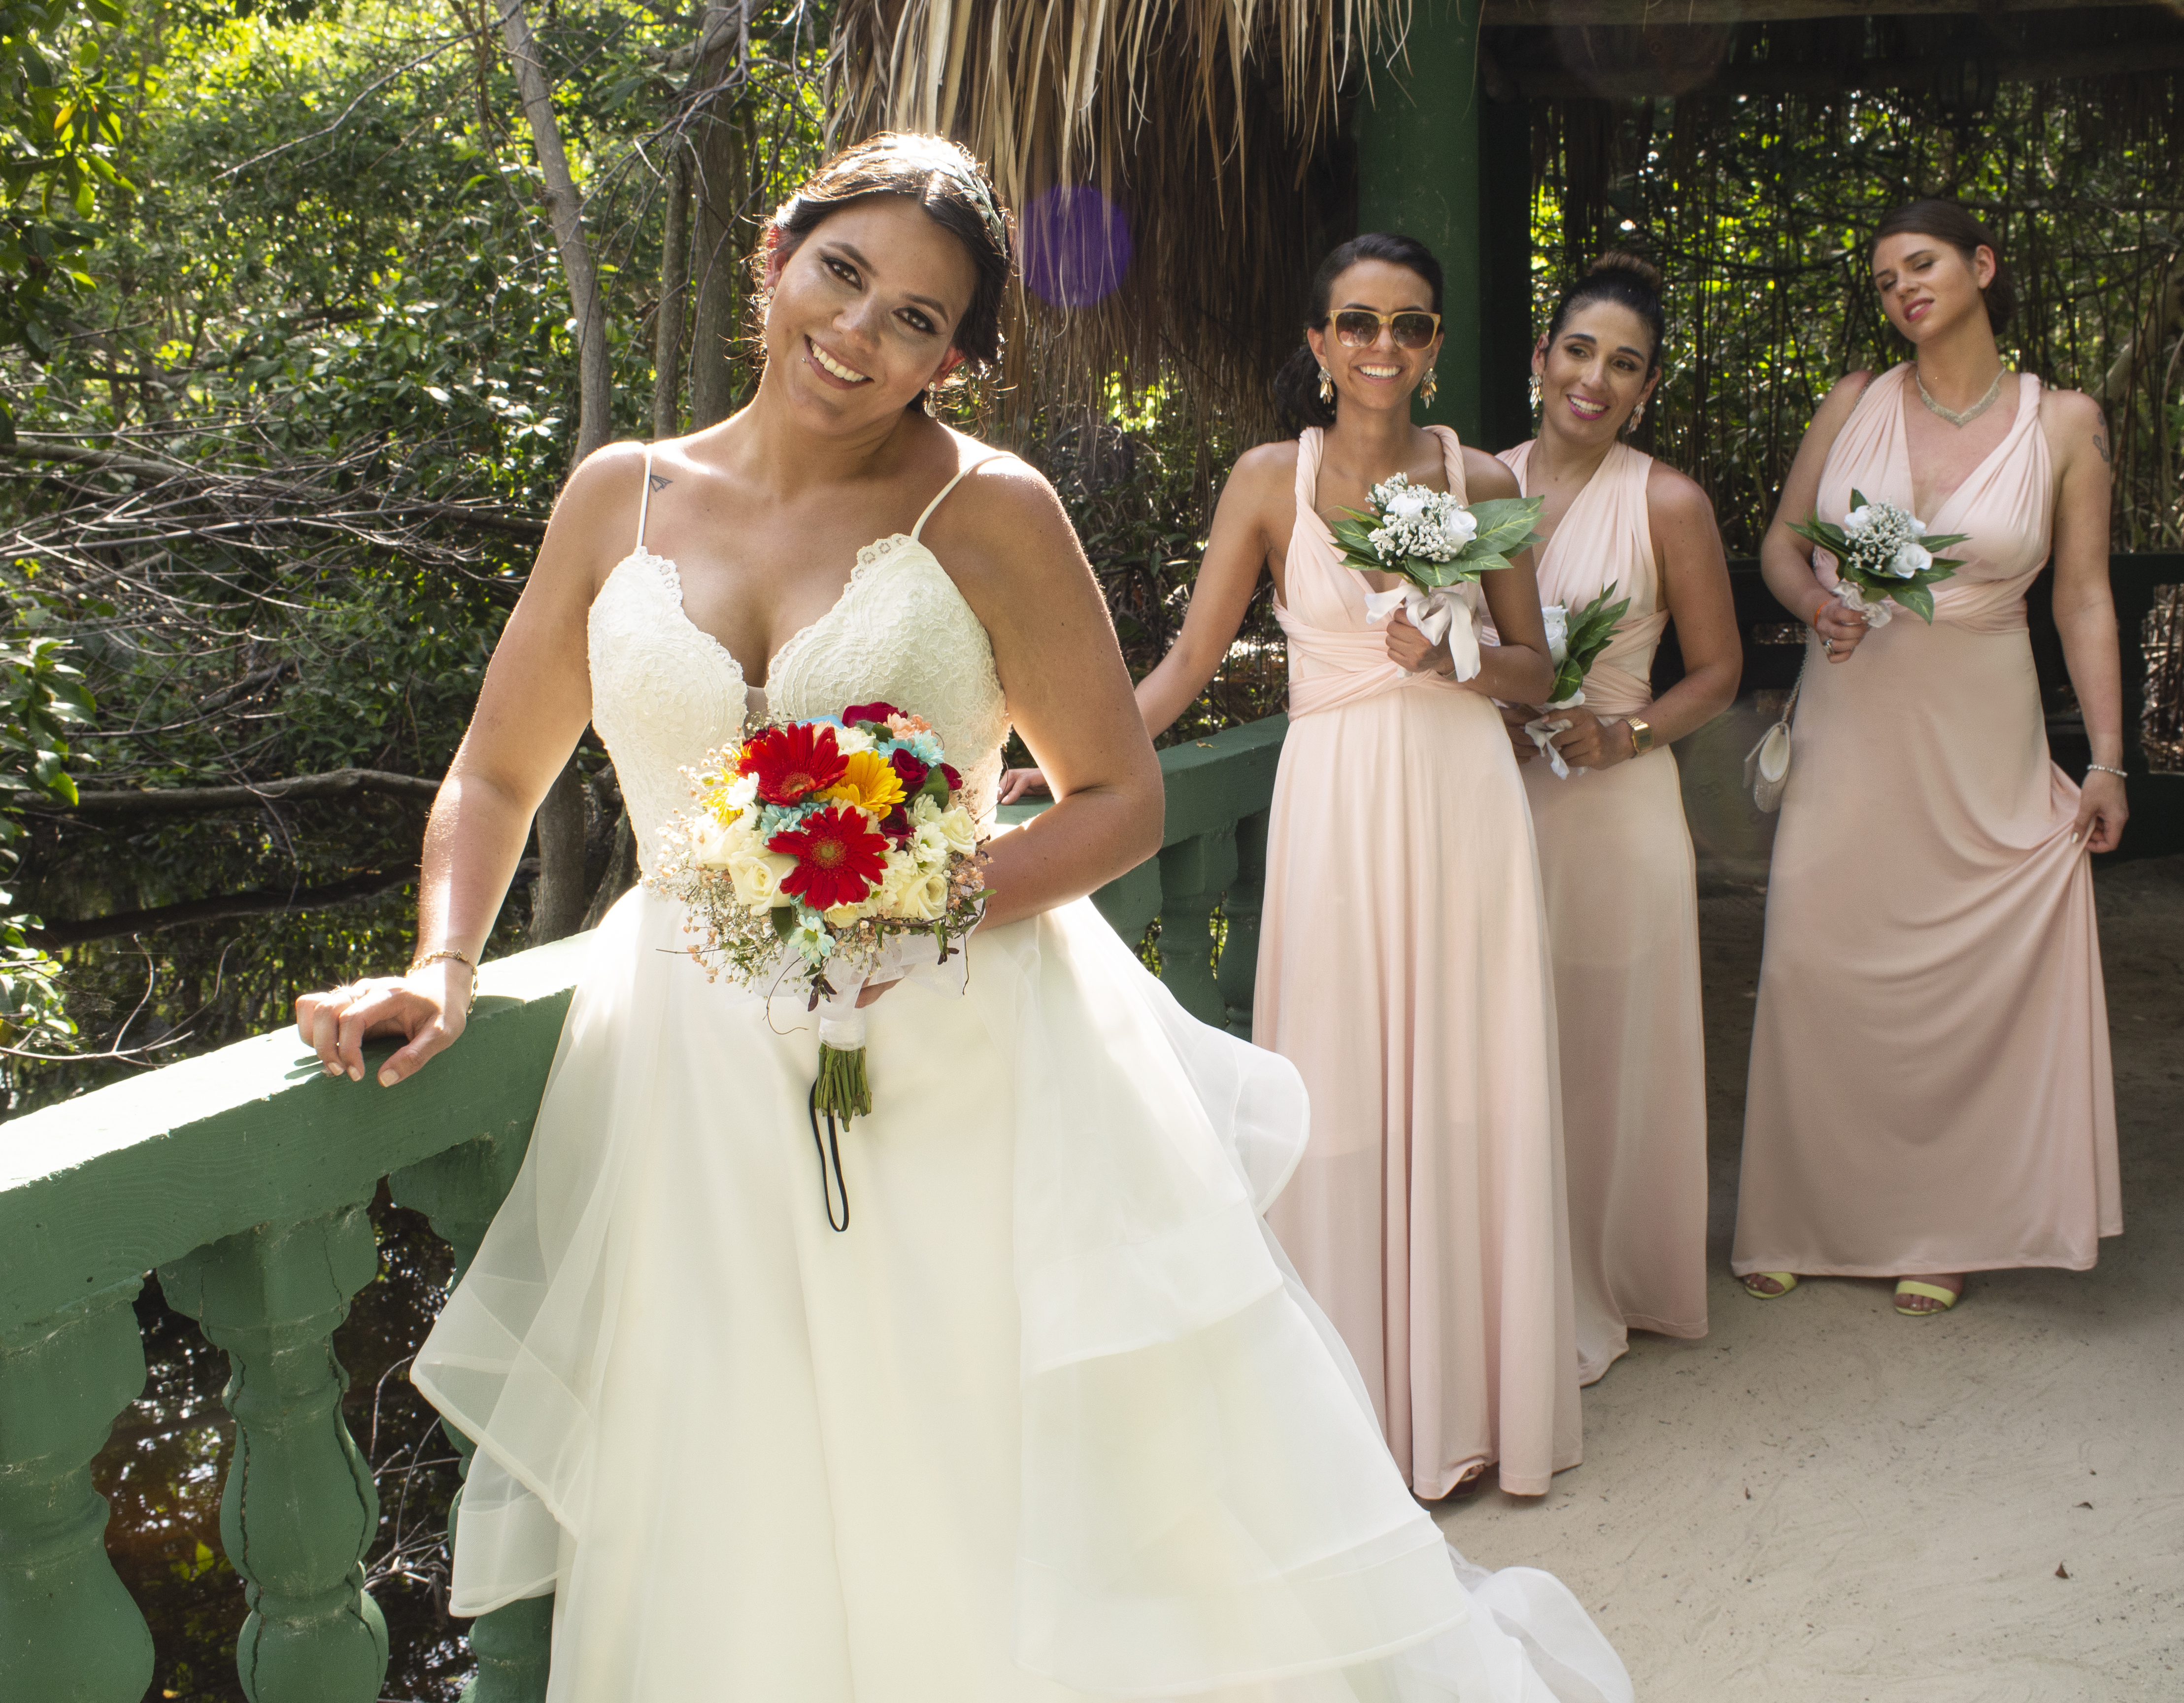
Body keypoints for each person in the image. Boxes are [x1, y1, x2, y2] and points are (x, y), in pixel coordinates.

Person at [293, 138, 1630, 1701]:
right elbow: (494, 772)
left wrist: (915, 900)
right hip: (690, 1087)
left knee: (988, 1488)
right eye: (842, 274)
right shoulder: (620, 495)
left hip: (956, 1057)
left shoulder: (992, 509)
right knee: (742, 1496)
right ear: (774, 255)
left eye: (920, 320)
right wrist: (444, 963)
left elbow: (1115, 797)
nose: (860, 333)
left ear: (957, 358)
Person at [1058, 232, 1582, 1500]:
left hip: (1462, 800)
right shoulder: (1262, 481)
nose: (1383, 348)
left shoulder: (1483, 474)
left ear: (1438, 343)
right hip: (1338, 803)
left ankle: (1474, 1397)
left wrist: (1447, 658)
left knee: (1471, 1067)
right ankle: (1348, 1414)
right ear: (1317, 343)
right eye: (1357, 324)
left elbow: (1538, 671)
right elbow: (1187, 665)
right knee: (1339, 1079)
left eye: (1409, 324)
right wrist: (1073, 760)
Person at [1734, 198, 2123, 1317]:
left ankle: (1942, 1222)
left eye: (1923, 264)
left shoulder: (2067, 424)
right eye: (1884, 278)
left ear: (1983, 267)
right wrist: (1816, 602)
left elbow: (2085, 599)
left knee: (1959, 975)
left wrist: (2107, 759)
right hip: (1852, 716)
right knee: (1817, 960)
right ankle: (1802, 1213)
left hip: (1979, 727)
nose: (1903, 288)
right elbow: (1780, 540)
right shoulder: (1853, 402)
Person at [1496, 254, 1740, 1382]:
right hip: (1495, 805)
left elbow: (1721, 675)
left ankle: (1611, 1279)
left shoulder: (1667, 501)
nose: (1595, 379)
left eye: (1624, 365)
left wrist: (1623, 731)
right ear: (1542, 358)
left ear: (1645, 392)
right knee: (1505, 1042)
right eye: (1580, 351)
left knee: (1606, 1050)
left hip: (1618, 805)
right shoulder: (1465, 485)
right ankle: (1509, 1279)